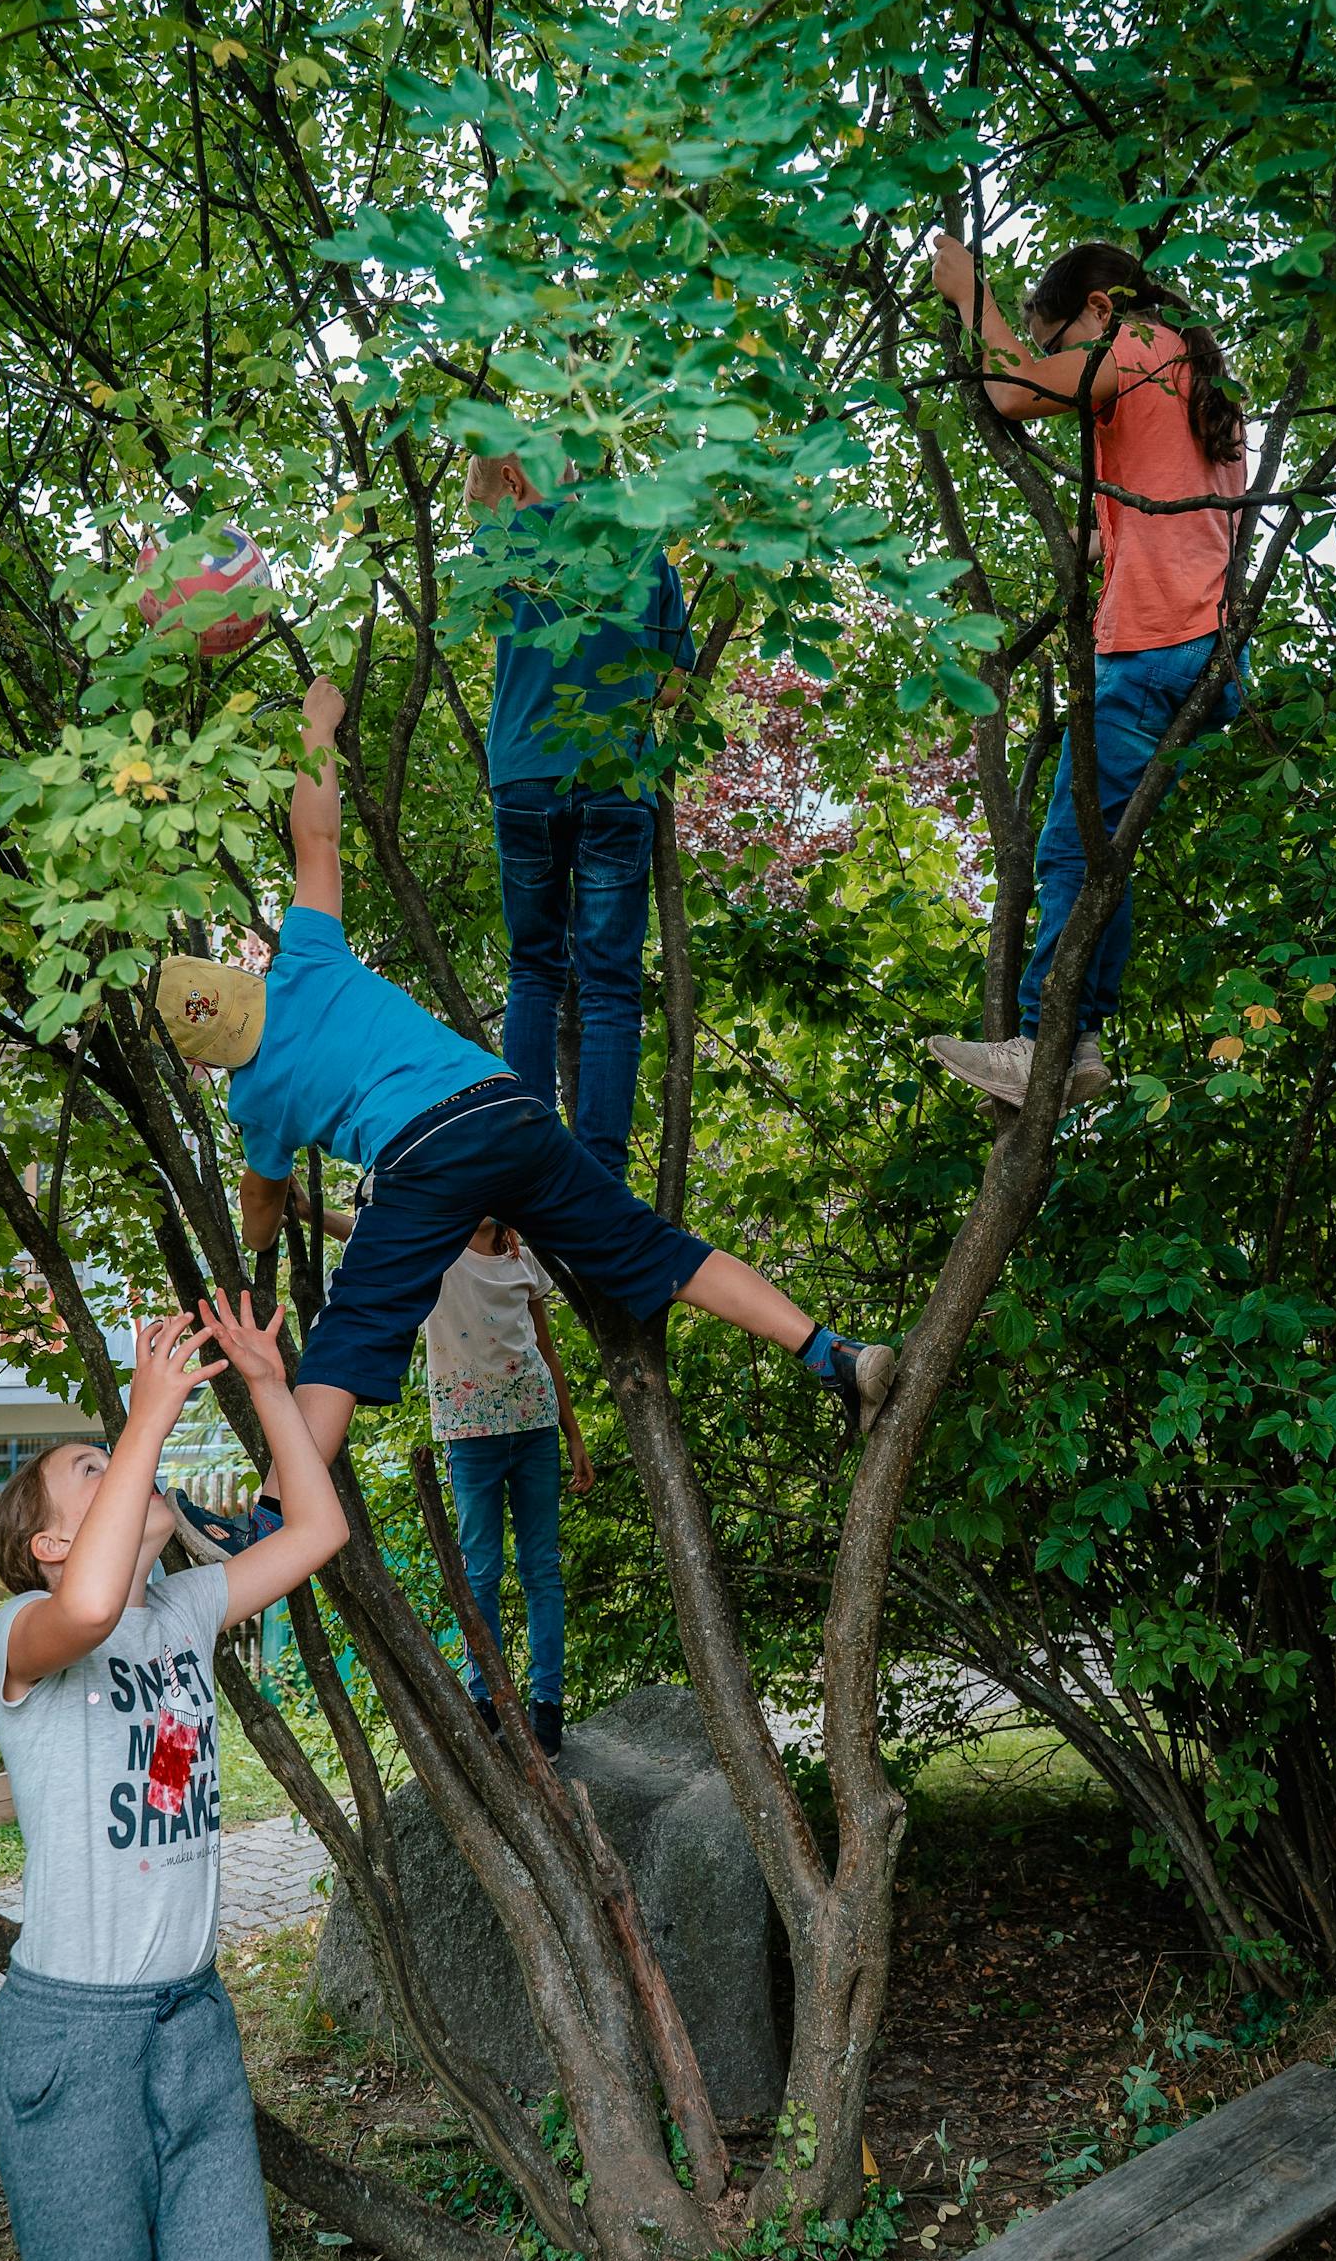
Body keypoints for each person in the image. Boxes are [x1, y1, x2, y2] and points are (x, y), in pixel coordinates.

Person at [160, 679, 894, 1569]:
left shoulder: (253, 1102)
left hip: (423, 1154)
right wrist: (317, 723)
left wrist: (259, 1249)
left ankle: (268, 1521)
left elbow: (262, 1200)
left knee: (351, 1334)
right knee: (657, 1250)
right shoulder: (307, 956)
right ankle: (832, 1352)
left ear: (206, 1058)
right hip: (508, 1107)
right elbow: (315, 836)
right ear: (246, 985)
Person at [0, 1291, 347, 2261]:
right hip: (72, 2041)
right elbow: (89, 1610)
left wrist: (271, 1386)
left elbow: (317, 1529)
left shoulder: (182, 1611)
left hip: (194, 2023)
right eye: (94, 1467)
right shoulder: (25, 1633)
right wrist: (143, 1411)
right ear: (51, 1542)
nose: (125, 1464)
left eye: (121, 1453)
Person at [924, 238, 1247, 1109]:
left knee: (1069, 849)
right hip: (1201, 650)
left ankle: (1043, 1040)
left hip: (1150, 649)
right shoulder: (1192, 371)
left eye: (1061, 336)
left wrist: (970, 296)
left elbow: (1012, 390)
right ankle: (1084, 1039)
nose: (1058, 356)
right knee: (1108, 859)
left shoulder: (1140, 348)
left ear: (1102, 311)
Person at [466, 448, 696, 1180]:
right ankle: (599, 1169)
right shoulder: (640, 539)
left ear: (509, 481)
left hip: (525, 773)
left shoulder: (497, 546)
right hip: (612, 777)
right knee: (609, 983)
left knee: (534, 967)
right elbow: (671, 687)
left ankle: (525, 1158)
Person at [424, 1219, 592, 1761]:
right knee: (481, 1572)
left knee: (541, 1568)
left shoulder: (522, 1253)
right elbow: (358, 1228)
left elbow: (546, 1345)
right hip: (471, 1437)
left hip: (536, 1424)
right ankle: (488, 1698)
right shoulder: (434, 1239)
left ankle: (547, 1703)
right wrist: (304, 1210)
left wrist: (574, 1435)